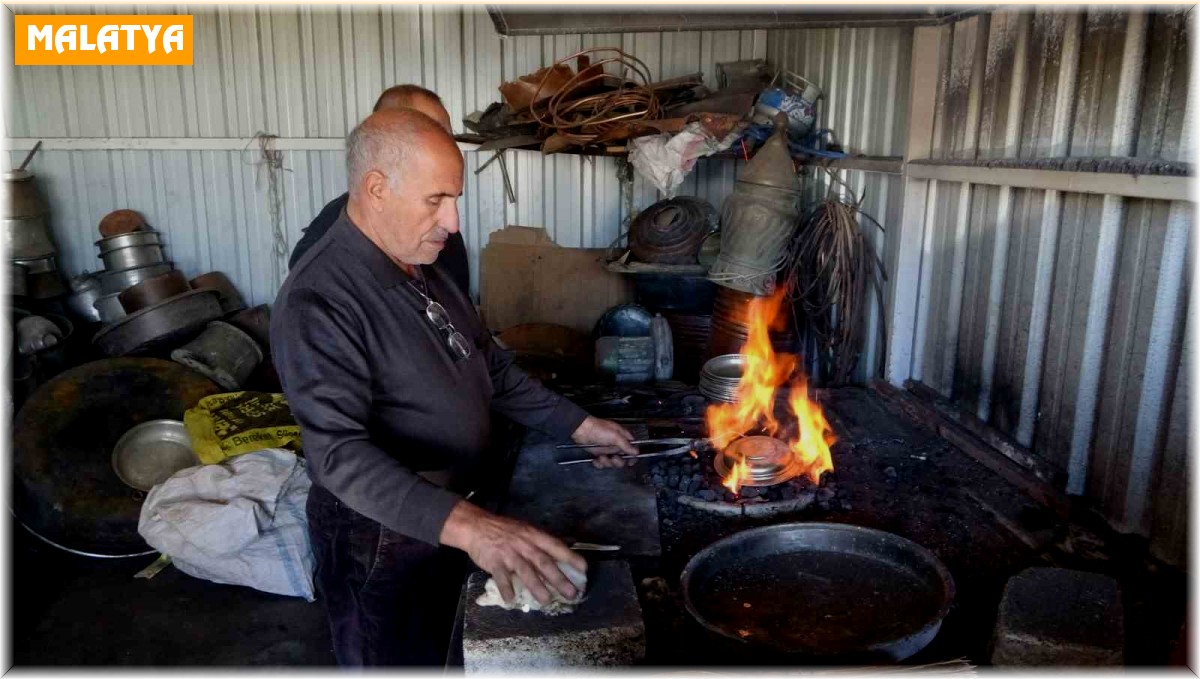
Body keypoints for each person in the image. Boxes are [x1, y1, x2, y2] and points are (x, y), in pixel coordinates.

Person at [271, 109, 638, 666]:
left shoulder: (424, 263)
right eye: (436, 199)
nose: (454, 221)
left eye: (455, 198)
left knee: (450, 652)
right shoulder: (318, 299)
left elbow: (489, 366)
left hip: (451, 516)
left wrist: (579, 425)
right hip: (380, 538)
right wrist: (476, 530)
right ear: (376, 189)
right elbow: (338, 456)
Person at [288, 84, 470, 298]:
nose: (451, 224)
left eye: (447, 135)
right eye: (426, 130)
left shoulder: (444, 230)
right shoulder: (321, 272)